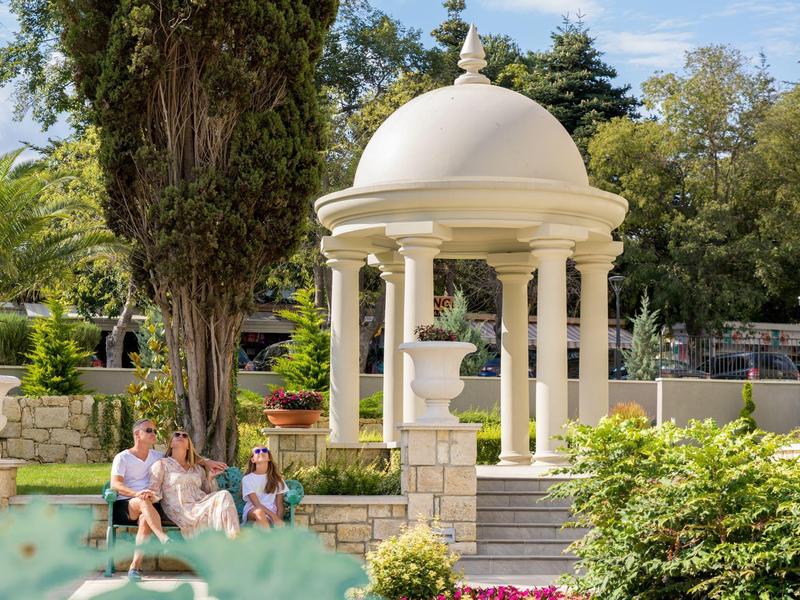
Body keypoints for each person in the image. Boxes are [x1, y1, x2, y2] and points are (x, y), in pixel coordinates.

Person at [110, 419, 227, 581]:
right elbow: (115, 484)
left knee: (145, 519)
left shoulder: (157, 457)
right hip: (127, 504)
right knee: (143, 502)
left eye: (154, 431)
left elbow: (185, 456)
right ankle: (163, 539)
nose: (154, 433)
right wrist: (137, 493)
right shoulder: (123, 457)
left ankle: (134, 567)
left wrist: (207, 462)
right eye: (149, 430)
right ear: (137, 434)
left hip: (151, 504)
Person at [148, 430, 240, 539]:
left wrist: (210, 478)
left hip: (200, 504)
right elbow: (154, 492)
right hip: (180, 509)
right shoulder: (161, 464)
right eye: (177, 435)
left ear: (188, 446)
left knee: (224, 495)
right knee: (218, 506)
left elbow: (207, 492)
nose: (181, 436)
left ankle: (233, 539)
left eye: (185, 436)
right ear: (171, 444)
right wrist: (144, 498)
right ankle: (231, 541)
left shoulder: (197, 468)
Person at [241, 446, 288, 528]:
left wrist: (278, 520)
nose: (261, 452)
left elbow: (279, 505)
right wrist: (274, 517)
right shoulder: (247, 478)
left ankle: (266, 533)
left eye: (264, 450)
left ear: (269, 458)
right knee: (259, 512)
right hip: (253, 510)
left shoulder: (277, 479)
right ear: (253, 460)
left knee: (258, 525)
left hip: (271, 511)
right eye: (257, 451)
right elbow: (257, 504)